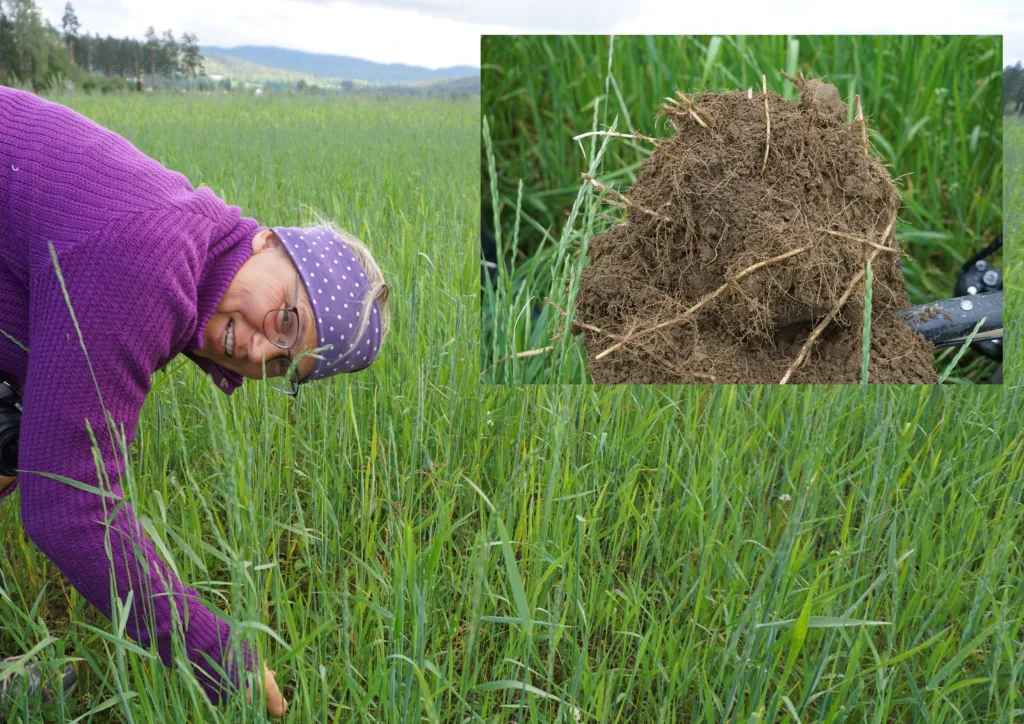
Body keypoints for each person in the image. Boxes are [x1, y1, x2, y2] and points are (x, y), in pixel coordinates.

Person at [0, 85, 390, 717]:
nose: (264, 353)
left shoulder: (184, 233)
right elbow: (70, 506)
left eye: (286, 365)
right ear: (267, 242)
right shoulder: (149, 262)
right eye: (285, 320)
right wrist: (223, 663)